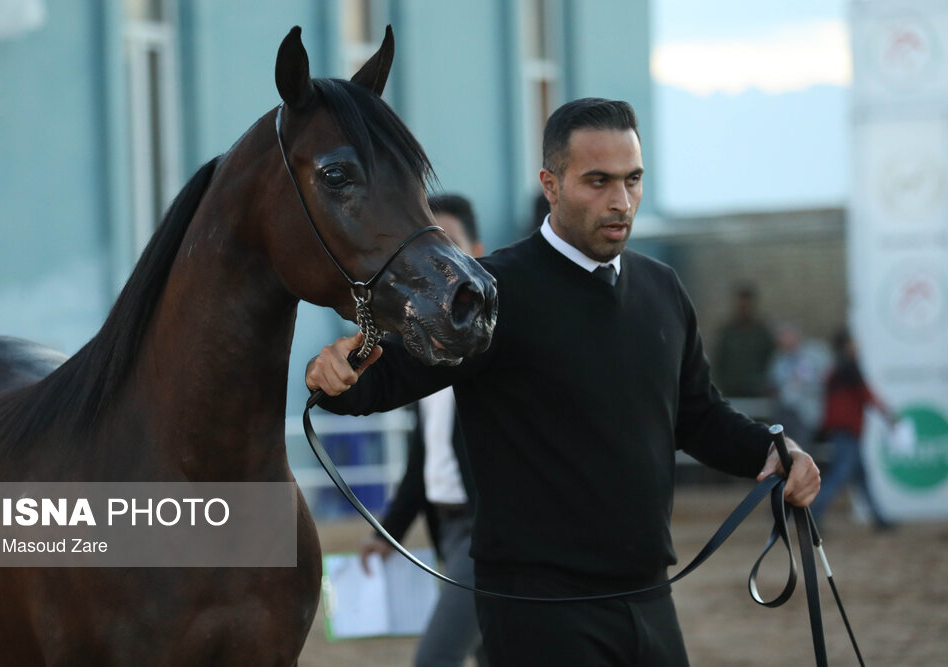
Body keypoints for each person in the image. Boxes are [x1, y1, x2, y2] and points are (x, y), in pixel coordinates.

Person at [307, 98, 819, 666]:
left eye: (632, 180)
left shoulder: (662, 289)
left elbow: (697, 416)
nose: (619, 201)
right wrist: (340, 377)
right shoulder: (490, 291)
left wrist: (776, 448)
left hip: (650, 598)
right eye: (597, 181)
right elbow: (387, 378)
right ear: (550, 185)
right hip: (535, 612)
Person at [358, 194, 488, 667]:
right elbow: (425, 457)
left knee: (435, 659)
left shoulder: (499, 346)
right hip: (446, 530)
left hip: (489, 534)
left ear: (479, 250)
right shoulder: (418, 347)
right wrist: (386, 532)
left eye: (451, 243)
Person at [812, 328, 894, 529]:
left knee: (861, 477)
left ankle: (878, 518)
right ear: (846, 345)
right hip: (846, 431)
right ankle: (813, 514)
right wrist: (888, 415)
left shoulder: (837, 368)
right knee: (838, 476)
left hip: (843, 431)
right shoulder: (848, 367)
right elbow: (866, 394)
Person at [767, 320, 831, 445]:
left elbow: (827, 375)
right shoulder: (779, 359)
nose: (781, 340)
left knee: (801, 446)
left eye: (784, 335)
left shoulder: (814, 353)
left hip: (808, 411)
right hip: (785, 410)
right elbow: (773, 381)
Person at [713, 283, 775, 398]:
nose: (744, 308)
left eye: (746, 304)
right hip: (730, 391)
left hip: (756, 391)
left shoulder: (762, 332)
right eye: (741, 304)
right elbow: (718, 361)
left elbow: (771, 360)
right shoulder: (727, 332)